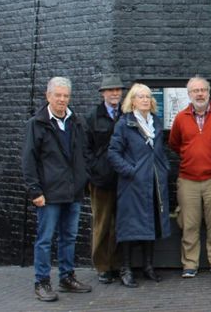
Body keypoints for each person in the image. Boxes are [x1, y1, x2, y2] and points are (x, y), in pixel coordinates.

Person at [21, 76, 92, 302]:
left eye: (66, 96)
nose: (62, 99)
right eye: (58, 95)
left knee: (68, 238)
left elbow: (83, 153)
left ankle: (66, 277)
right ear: (48, 96)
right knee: (45, 239)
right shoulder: (37, 123)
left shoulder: (76, 121)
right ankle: (41, 282)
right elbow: (28, 159)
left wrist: (84, 179)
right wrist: (35, 191)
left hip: (73, 193)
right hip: (49, 194)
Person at [108, 83, 171, 287]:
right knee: (129, 226)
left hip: (154, 182)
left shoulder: (157, 123)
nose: (145, 100)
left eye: (147, 96)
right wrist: (130, 171)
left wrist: (164, 168)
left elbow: (161, 152)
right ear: (132, 101)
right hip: (132, 185)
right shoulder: (124, 124)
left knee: (151, 222)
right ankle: (125, 268)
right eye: (140, 96)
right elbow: (113, 153)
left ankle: (148, 266)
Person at [168, 76, 211, 278]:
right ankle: (190, 263)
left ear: (209, 92)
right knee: (189, 223)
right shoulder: (180, 118)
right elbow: (175, 144)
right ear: (189, 94)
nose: (200, 93)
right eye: (195, 90)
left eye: (203, 89)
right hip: (188, 180)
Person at [85, 74, 124, 285]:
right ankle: (102, 265)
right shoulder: (93, 117)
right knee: (102, 222)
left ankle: (115, 263)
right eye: (111, 90)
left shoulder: (126, 114)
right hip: (101, 179)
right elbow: (86, 149)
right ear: (103, 93)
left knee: (119, 223)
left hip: (122, 178)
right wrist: (95, 170)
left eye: (118, 90)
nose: (115, 93)